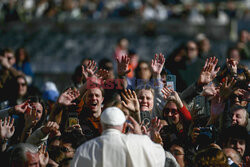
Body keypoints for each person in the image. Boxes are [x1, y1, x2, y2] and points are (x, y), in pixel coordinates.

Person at [71, 107, 165, 167]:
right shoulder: (140, 143)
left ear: (100, 127)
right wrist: (140, 136)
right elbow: (160, 156)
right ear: (124, 126)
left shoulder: (84, 150)